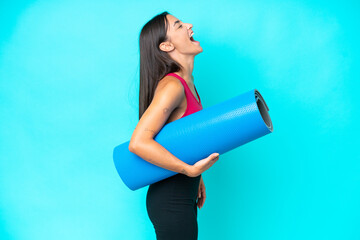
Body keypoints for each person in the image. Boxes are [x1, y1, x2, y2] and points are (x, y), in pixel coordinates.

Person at [128, 11, 220, 240]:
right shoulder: (173, 87)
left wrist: (197, 177)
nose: (189, 25)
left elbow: (183, 139)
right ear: (167, 46)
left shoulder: (188, 84)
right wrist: (188, 170)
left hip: (180, 193)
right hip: (170, 199)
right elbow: (138, 142)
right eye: (179, 25)